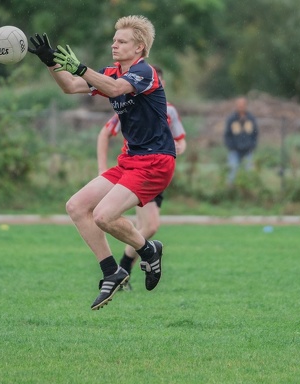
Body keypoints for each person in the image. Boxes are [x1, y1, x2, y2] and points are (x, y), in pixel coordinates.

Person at [28, 15, 176, 310]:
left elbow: (114, 89)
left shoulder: (145, 72)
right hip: (130, 160)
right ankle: (112, 271)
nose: (114, 44)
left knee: (103, 215)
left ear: (139, 47)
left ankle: (148, 250)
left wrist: (83, 68)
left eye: (122, 41)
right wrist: (50, 63)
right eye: (114, 40)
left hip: (155, 162)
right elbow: (70, 86)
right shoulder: (111, 72)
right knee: (77, 206)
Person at [96, 66, 186, 290]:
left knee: (147, 225)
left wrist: (174, 147)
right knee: (149, 224)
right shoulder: (131, 102)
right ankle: (125, 268)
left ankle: (124, 269)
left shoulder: (169, 111)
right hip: (138, 168)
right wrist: (101, 168)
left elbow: (182, 141)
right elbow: (105, 132)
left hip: (158, 166)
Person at [224, 97, 258, 185]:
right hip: (235, 150)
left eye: (242, 105)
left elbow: (255, 134)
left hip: (248, 150)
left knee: (249, 171)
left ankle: (249, 190)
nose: (240, 107)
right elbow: (227, 134)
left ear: (246, 106)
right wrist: (231, 146)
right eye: (239, 105)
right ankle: (230, 190)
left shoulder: (251, 118)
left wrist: (252, 145)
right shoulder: (232, 119)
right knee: (232, 171)